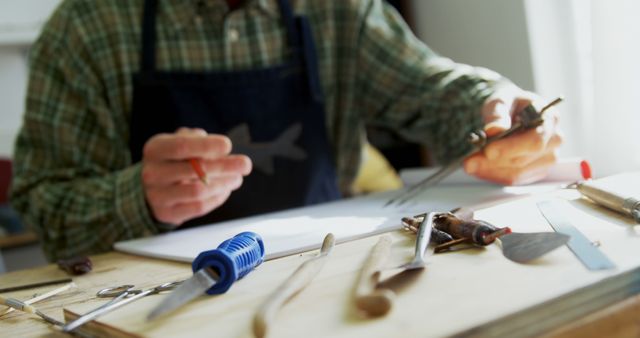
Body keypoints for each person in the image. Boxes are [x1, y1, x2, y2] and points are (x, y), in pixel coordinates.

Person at [10, 0, 562, 261]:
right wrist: (135, 197)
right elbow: (45, 212)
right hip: (155, 307)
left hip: (322, 273)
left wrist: (496, 110)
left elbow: (439, 93)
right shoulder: (88, 27)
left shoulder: (338, 10)